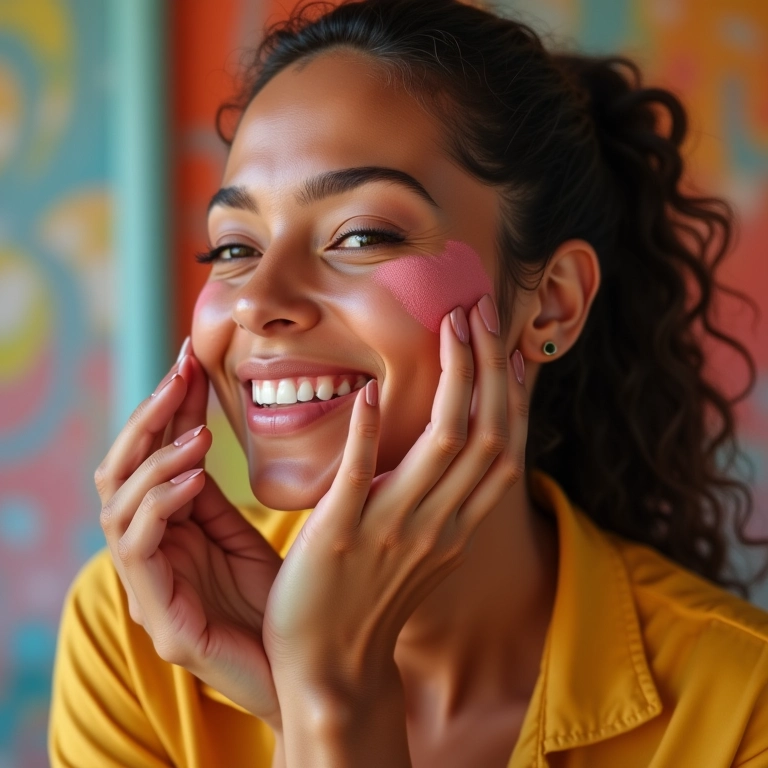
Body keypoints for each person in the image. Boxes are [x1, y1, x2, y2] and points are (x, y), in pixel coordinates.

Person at [49, 1, 768, 766]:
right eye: (233, 247)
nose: (258, 300)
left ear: (551, 301)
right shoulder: (135, 632)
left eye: (361, 235)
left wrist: (331, 700)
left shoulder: (741, 706)